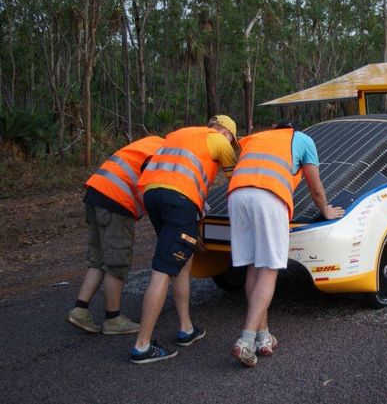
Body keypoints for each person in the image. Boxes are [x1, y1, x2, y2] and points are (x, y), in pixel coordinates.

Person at [228, 121, 344, 367]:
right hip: (269, 197)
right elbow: (315, 185)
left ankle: (262, 336)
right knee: (269, 269)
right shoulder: (302, 139)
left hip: (237, 196)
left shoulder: (258, 137)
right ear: (294, 129)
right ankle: (245, 341)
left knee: (253, 266)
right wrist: (325, 210)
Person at [130, 115, 238, 364]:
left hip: (152, 196)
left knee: (182, 260)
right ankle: (142, 345)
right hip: (179, 201)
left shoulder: (181, 132)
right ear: (227, 134)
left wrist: (194, 229)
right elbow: (236, 183)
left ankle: (186, 328)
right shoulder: (219, 140)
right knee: (164, 269)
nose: (230, 145)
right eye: (232, 140)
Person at [67, 136, 164, 335]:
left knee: (99, 258)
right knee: (116, 261)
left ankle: (80, 308)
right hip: (116, 201)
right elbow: (151, 186)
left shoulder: (153, 142)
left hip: (96, 193)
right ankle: (113, 319)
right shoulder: (164, 153)